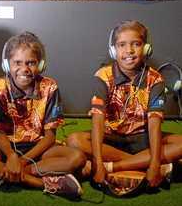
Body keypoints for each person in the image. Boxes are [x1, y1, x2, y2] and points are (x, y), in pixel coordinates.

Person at [0, 32, 86, 199]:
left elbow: (49, 138)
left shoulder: (50, 87)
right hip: (6, 147)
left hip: (39, 148)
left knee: (77, 158)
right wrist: (11, 156)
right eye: (17, 62)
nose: (24, 69)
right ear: (6, 65)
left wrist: (21, 161)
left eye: (31, 63)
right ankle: (41, 182)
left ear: (40, 65)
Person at [67, 20, 182, 188]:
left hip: (143, 138)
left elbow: (154, 125)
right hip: (111, 137)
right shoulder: (103, 76)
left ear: (146, 48)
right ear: (113, 51)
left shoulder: (156, 79)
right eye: (122, 45)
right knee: (74, 140)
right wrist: (98, 162)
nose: (129, 50)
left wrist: (154, 163)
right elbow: (97, 122)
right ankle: (139, 163)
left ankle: (114, 167)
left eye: (136, 44)